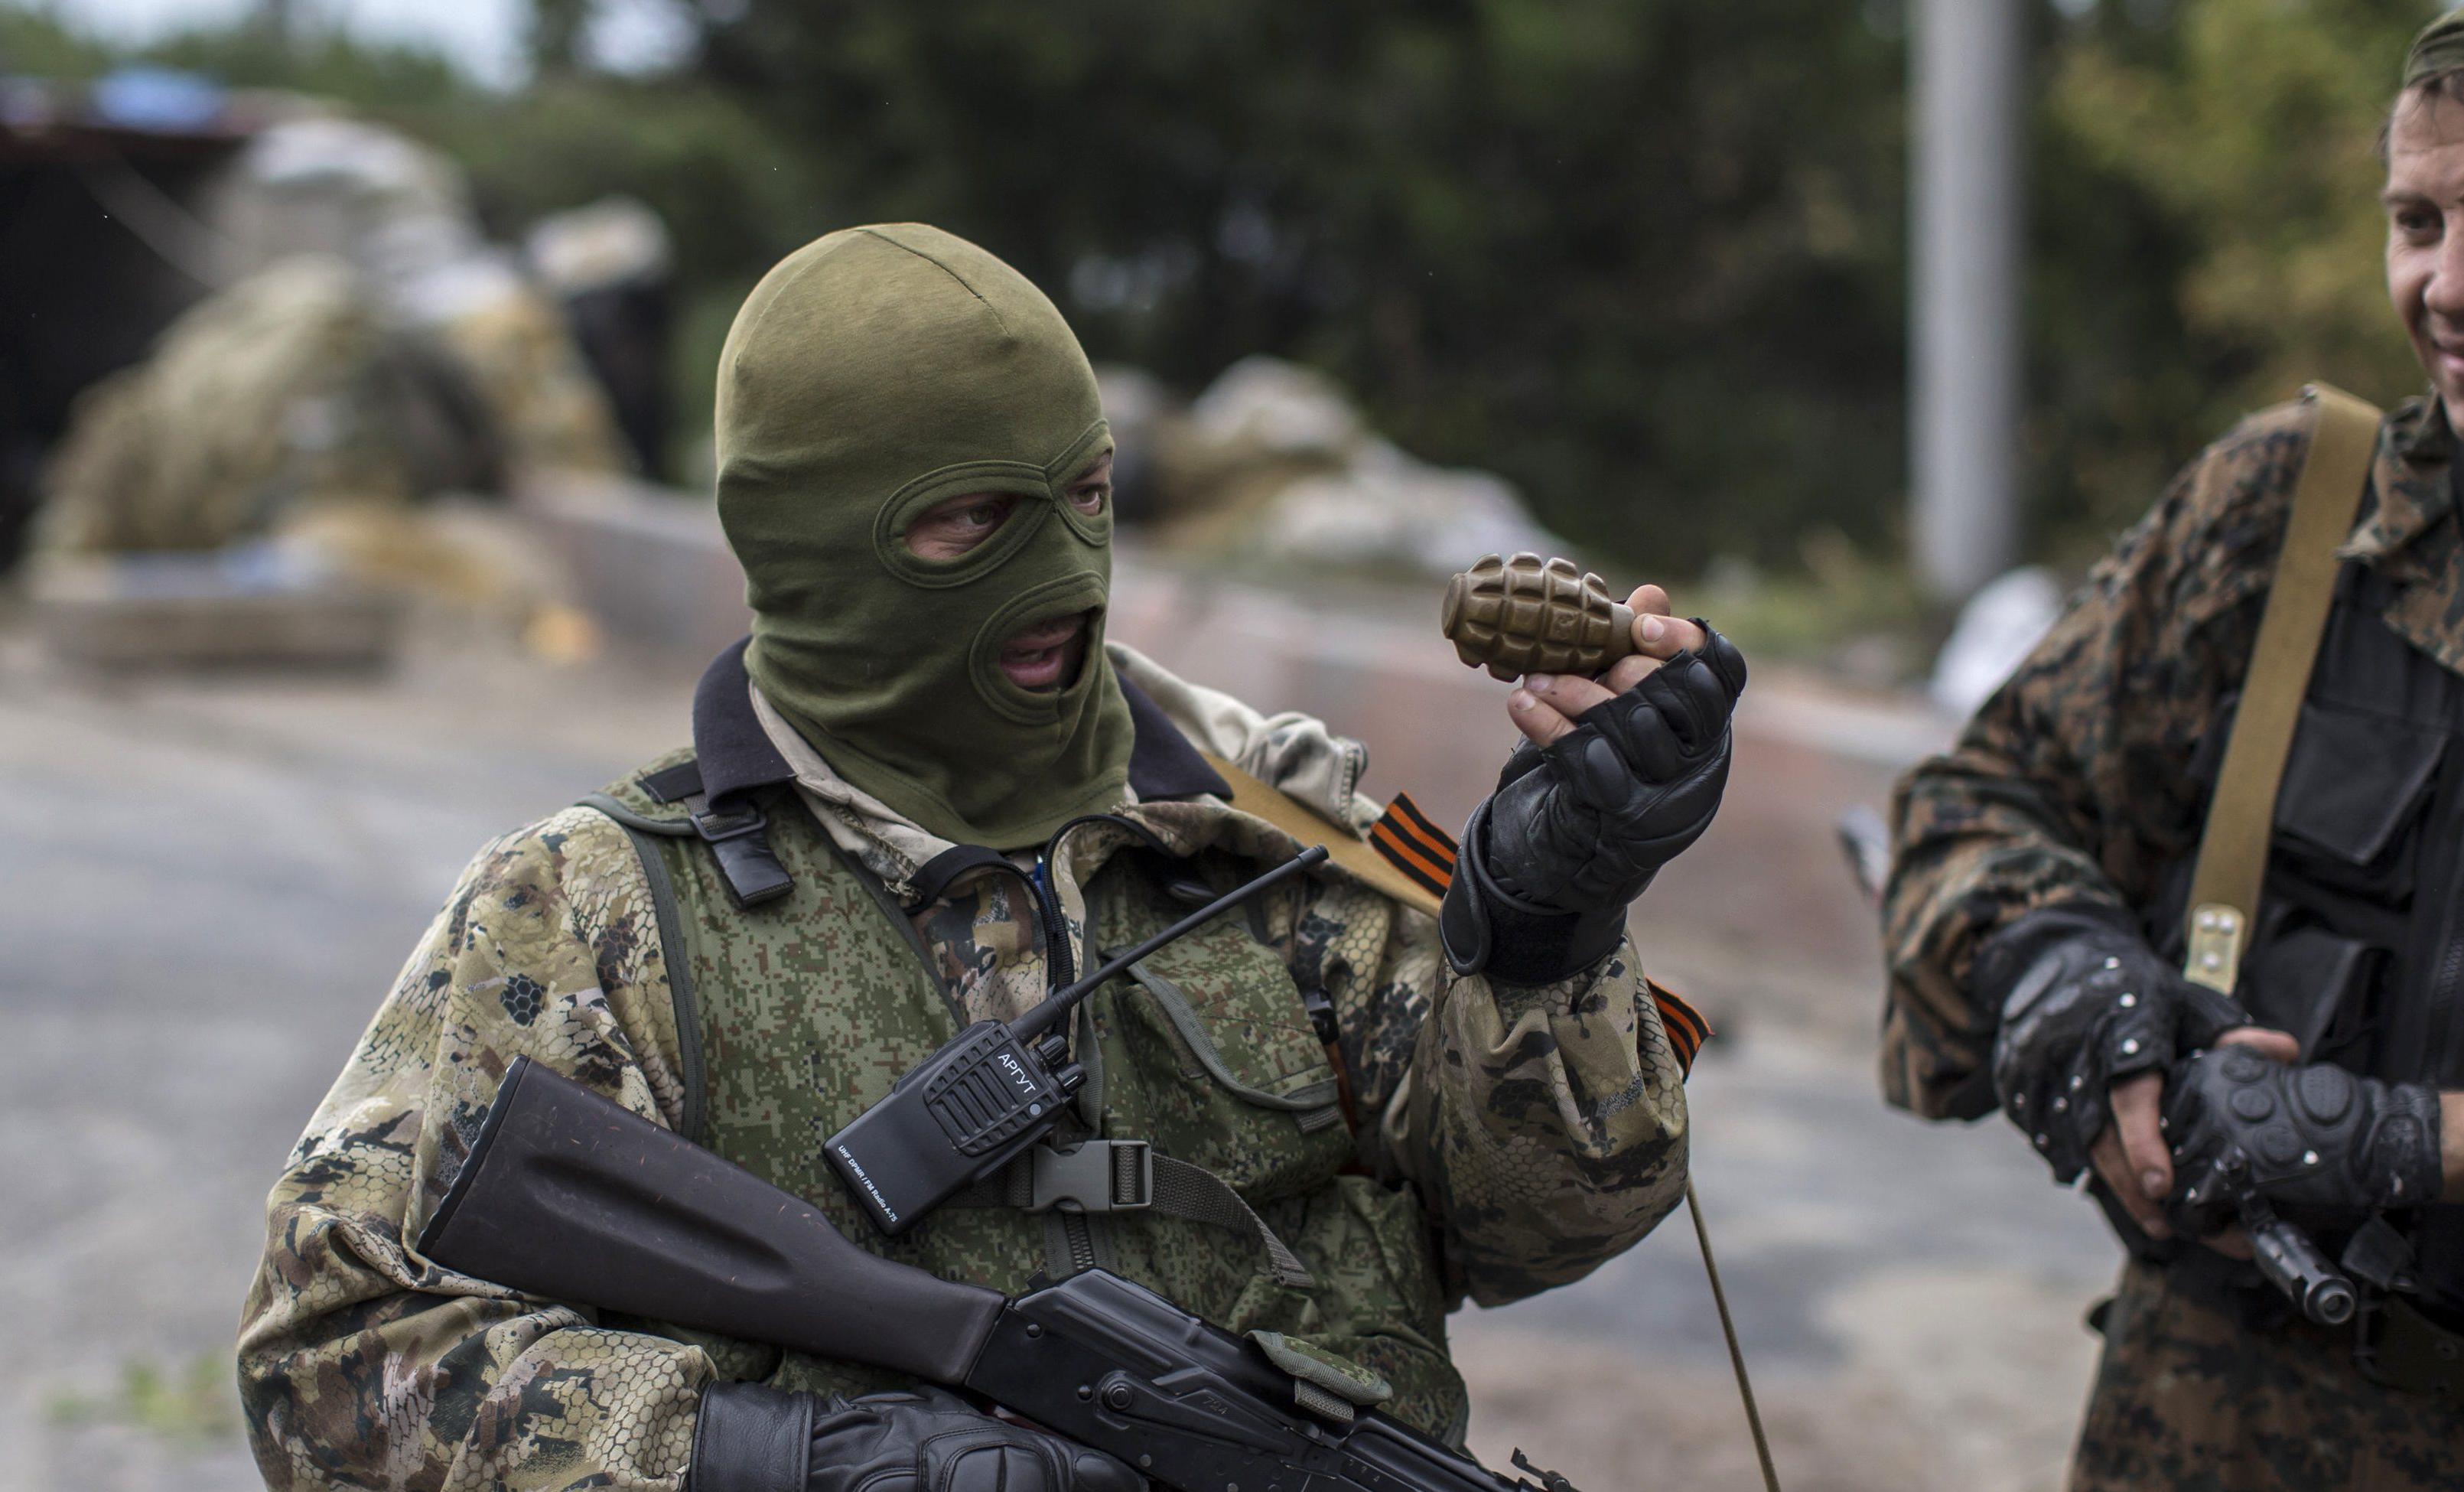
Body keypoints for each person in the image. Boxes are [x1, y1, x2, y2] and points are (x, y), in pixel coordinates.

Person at [236, 223, 1743, 1492]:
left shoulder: (1277, 839)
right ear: (809, 543)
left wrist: (1542, 927)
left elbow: (1551, 1227)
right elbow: (336, 1367)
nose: (1064, 577)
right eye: (969, 522)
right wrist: (803, 1461)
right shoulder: (597, 912)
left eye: (1085, 498)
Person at [1882, 5, 2464, 1484]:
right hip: (2202, 1418)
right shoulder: (2287, 510)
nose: (2450, 284)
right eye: (2415, 220)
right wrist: (2063, 979)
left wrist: (2406, 1143)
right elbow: (1977, 802)